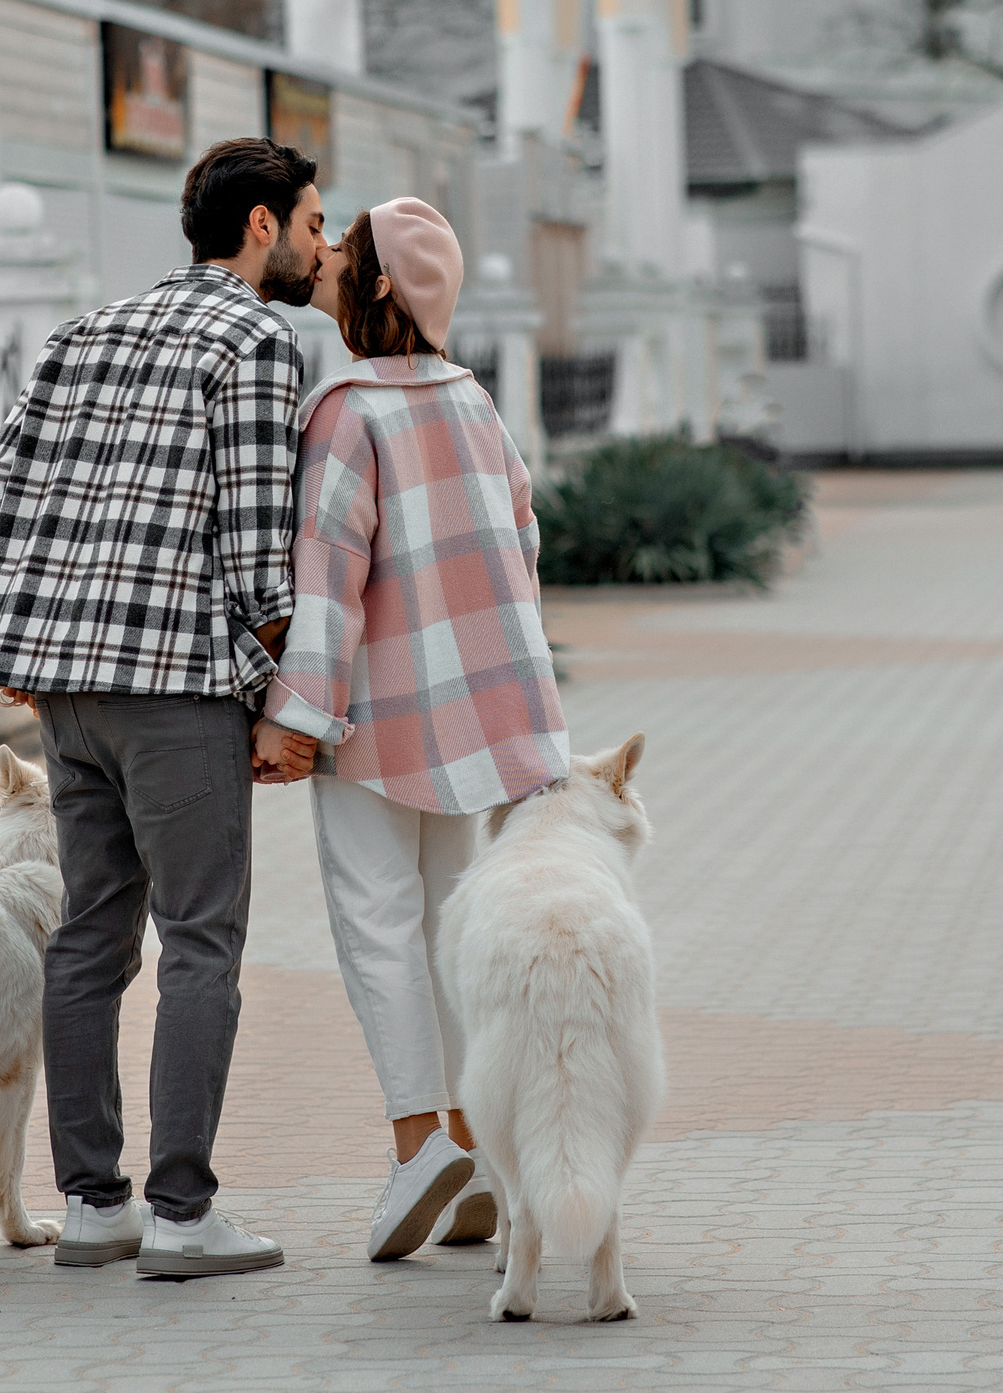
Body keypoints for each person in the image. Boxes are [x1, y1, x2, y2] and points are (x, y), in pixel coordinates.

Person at [0, 137, 326, 1280]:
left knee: (88, 940)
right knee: (200, 942)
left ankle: (92, 1205)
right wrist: (286, 698)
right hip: (179, 693)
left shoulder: (88, 329)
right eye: (314, 222)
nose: (322, 244)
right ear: (260, 226)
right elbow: (260, 546)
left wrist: (12, 628)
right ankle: (180, 1215)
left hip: (69, 689)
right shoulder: (261, 340)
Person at [250, 198, 568, 1263]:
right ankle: (475, 1144)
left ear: (378, 283)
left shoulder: (345, 410)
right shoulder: (472, 399)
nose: (324, 256)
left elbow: (327, 585)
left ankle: (416, 1146)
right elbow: (521, 540)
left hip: (376, 714)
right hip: (474, 713)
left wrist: (294, 720)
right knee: (443, 927)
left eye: (341, 250)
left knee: (374, 923)